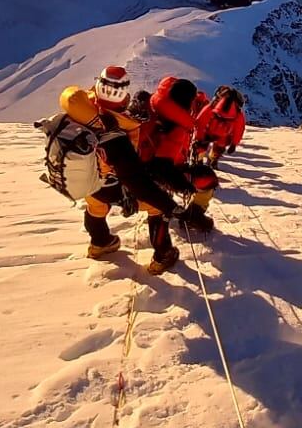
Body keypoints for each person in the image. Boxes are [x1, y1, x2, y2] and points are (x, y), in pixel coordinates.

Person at [58, 65, 191, 273]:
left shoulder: (85, 106)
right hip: (114, 185)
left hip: (88, 181)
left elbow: (69, 96)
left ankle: (100, 243)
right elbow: (133, 176)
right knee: (156, 208)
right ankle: (163, 254)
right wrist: (169, 205)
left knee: (96, 208)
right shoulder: (123, 127)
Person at [141, 75, 218, 233]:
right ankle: (193, 217)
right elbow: (162, 165)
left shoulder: (158, 107)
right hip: (160, 172)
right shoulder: (176, 126)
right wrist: (184, 186)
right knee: (207, 179)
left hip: (143, 167)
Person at [193, 86, 247, 166]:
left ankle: (198, 160)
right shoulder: (238, 113)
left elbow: (200, 122)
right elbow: (239, 129)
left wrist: (198, 138)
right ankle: (213, 160)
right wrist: (234, 144)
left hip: (208, 131)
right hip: (224, 135)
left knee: (201, 147)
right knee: (219, 148)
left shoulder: (212, 106)